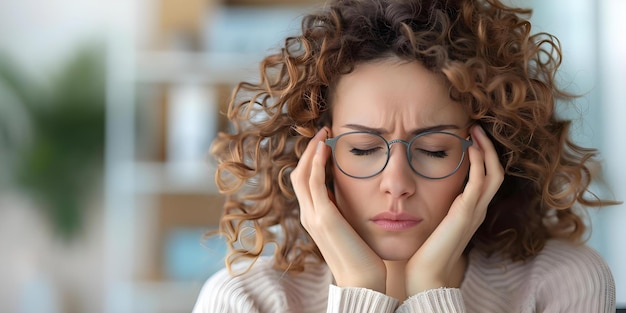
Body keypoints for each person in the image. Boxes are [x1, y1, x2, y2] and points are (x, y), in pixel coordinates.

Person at [192, 0, 618, 312]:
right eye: (362, 148)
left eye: (434, 150)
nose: (396, 183)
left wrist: (431, 290)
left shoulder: (562, 283)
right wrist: (360, 291)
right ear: (316, 158)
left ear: (486, 158)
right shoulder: (245, 300)